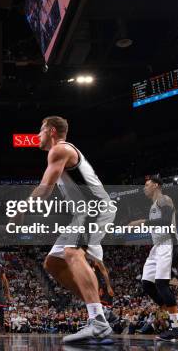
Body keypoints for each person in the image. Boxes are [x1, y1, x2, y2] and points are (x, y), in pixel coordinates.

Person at [28, 116, 116, 343]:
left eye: (40, 130)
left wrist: (20, 207)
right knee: (53, 263)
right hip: (83, 212)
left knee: (71, 253)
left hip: (94, 207)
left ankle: (97, 321)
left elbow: (45, 189)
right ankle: (99, 313)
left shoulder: (59, 150)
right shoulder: (60, 152)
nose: (38, 135)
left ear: (51, 130)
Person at [128, 176, 178, 342]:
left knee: (161, 283)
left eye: (146, 185)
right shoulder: (153, 205)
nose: (144, 188)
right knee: (147, 284)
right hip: (157, 247)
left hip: (169, 243)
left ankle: (177, 329)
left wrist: (141, 222)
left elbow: (167, 221)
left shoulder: (164, 199)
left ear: (156, 185)